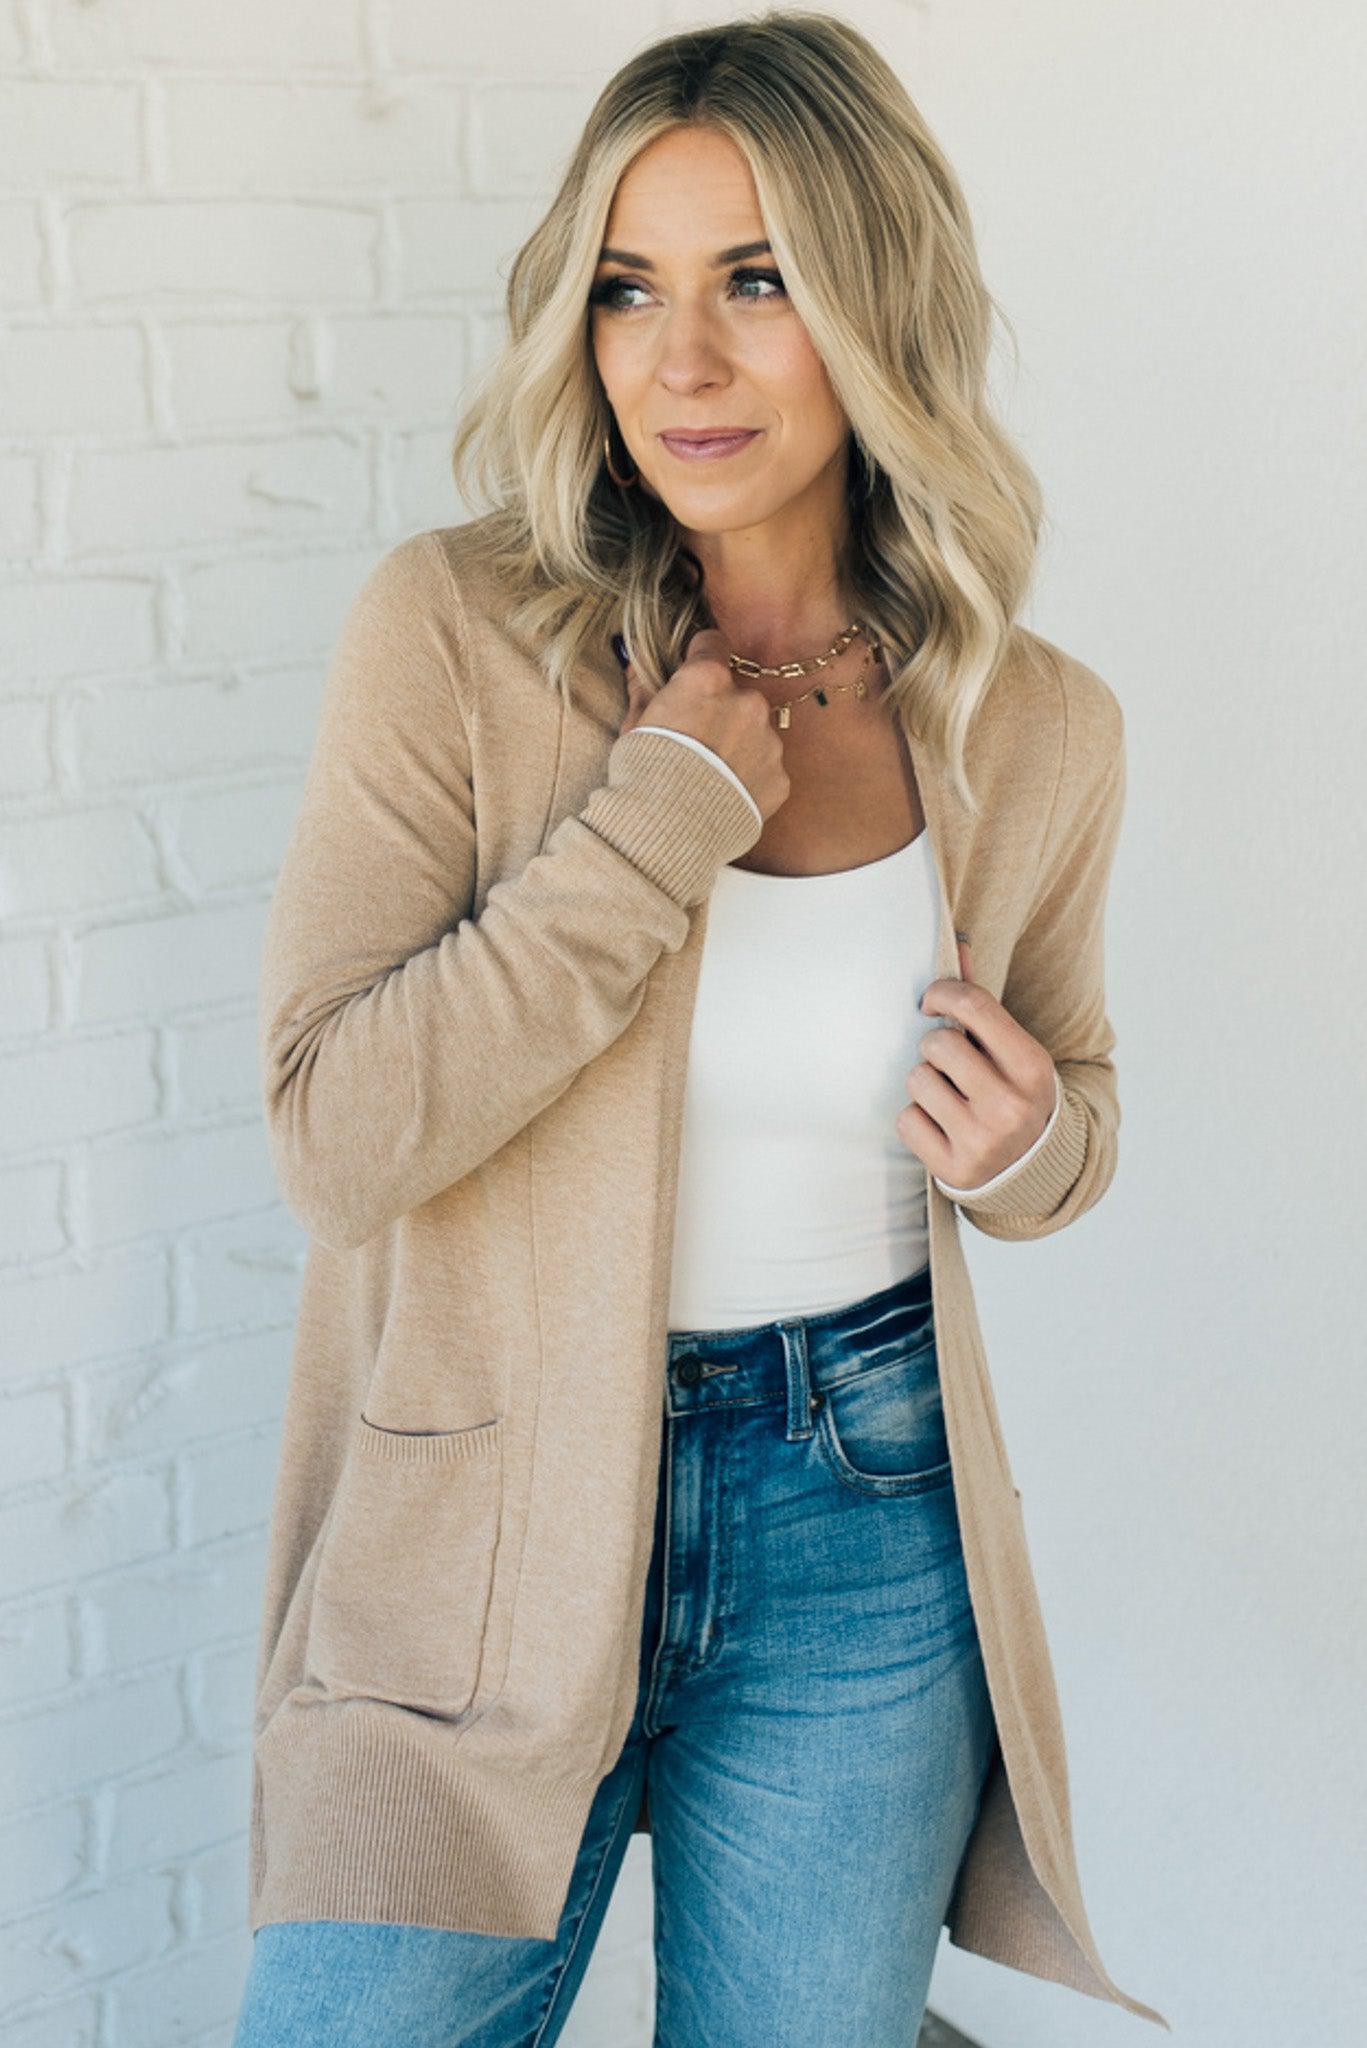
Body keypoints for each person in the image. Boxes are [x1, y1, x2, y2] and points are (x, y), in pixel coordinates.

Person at [231, 12, 1169, 2044]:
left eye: (757, 280)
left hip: (861, 1504)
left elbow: (1077, 1109)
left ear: (876, 296)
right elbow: (335, 1129)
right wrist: (660, 813)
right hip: (475, 1503)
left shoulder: (1038, 723)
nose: (682, 359)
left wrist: (1030, 1151)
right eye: (628, 287)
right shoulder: (454, 637)